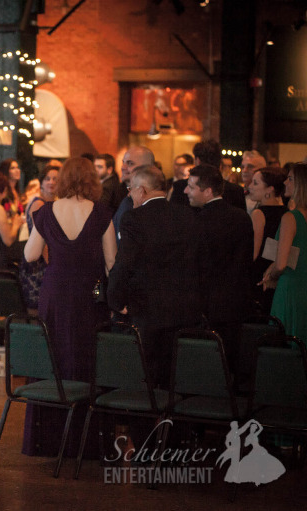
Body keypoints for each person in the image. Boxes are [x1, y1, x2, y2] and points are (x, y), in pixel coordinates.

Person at [22, 157, 116, 457]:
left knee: (53, 355)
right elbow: (112, 262)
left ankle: (48, 438)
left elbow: (29, 254)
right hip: (87, 295)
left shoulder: (46, 211)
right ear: (91, 180)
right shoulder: (101, 212)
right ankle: (83, 442)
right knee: (84, 357)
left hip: (54, 294)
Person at [107, 166, 201, 384]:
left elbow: (124, 263)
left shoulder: (134, 218)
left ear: (141, 190)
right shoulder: (187, 215)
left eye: (130, 189)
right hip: (185, 309)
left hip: (147, 310)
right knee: (175, 378)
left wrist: (115, 299)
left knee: (146, 379)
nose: (129, 195)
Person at [185, 164, 253, 370]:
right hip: (236, 301)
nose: (185, 191)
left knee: (208, 364)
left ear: (207, 191)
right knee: (230, 359)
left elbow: (196, 265)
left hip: (206, 304)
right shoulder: (242, 217)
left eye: (191, 187)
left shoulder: (197, 222)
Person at [262, 163, 307, 342]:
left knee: (286, 344)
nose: (285, 182)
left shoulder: (291, 217)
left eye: (290, 179)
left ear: (301, 184)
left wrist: (270, 276)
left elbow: (280, 264)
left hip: (291, 288)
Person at [247, 167, 288, 313]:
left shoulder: (259, 214)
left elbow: (253, 253)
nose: (249, 186)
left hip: (260, 278)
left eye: (255, 183)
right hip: (281, 278)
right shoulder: (288, 213)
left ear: (269, 189)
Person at [18, 162, 58, 311]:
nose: (51, 182)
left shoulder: (54, 203)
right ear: (41, 182)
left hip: (46, 261)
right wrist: (51, 265)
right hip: (39, 263)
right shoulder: (39, 204)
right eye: (48, 178)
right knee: (39, 311)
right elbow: (41, 239)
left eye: (55, 179)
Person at [113, 146, 154, 245]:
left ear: (147, 168)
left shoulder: (147, 201)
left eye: (130, 163)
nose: (123, 167)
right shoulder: (122, 193)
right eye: (123, 162)